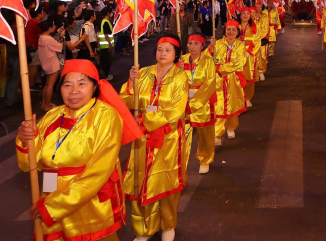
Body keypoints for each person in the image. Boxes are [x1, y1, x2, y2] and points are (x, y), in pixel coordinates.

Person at [16, 59, 142, 241]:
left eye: (82, 83)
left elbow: (97, 173)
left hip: (89, 204)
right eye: (67, 84)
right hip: (51, 197)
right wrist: (26, 139)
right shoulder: (52, 116)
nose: (74, 91)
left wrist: (52, 207)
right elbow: (29, 165)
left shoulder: (106, 116)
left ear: (95, 87)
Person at [121, 35, 189, 241]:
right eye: (160, 49)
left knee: (165, 181)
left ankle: (168, 224)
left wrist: (144, 121)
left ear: (176, 54)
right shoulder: (143, 73)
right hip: (141, 139)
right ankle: (144, 228)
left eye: (168, 50)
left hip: (168, 139)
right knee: (140, 182)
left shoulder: (180, 77)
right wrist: (131, 84)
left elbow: (176, 110)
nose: (162, 53)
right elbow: (126, 101)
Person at [179, 34, 218, 174]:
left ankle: (205, 158)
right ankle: (179, 162)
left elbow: (210, 84)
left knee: (204, 133)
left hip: (202, 102)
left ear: (202, 46)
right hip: (183, 102)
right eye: (190, 43)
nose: (192, 47)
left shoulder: (208, 61)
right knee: (182, 133)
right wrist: (179, 70)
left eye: (196, 44)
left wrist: (195, 103)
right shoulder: (181, 60)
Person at [214, 20, 247, 141]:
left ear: (238, 32)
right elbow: (207, 59)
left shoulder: (241, 46)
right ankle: (218, 132)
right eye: (229, 29)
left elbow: (239, 63)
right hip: (218, 80)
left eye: (234, 30)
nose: (231, 32)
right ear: (225, 30)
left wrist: (220, 68)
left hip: (233, 79)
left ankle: (231, 127)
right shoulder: (216, 44)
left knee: (232, 105)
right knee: (218, 105)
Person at [37, 19, 63, 111]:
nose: (54, 27)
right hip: (52, 63)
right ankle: (47, 105)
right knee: (50, 85)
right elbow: (60, 47)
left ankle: (44, 103)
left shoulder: (41, 37)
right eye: (53, 25)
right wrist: (61, 37)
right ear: (49, 28)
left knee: (47, 84)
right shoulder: (48, 39)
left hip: (45, 63)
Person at [238, 8, 260, 107]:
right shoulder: (236, 27)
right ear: (240, 15)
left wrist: (249, 52)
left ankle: (248, 98)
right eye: (243, 13)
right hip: (237, 56)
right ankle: (239, 98)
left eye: (247, 13)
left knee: (249, 78)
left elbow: (257, 41)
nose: (246, 15)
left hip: (249, 56)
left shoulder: (253, 27)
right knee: (237, 78)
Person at [253, 1, 271, 81]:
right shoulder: (251, 16)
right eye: (256, 7)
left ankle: (261, 71)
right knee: (253, 57)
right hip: (252, 40)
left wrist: (259, 37)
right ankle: (254, 72)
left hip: (261, 40)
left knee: (262, 56)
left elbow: (265, 28)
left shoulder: (264, 16)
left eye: (260, 7)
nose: (258, 9)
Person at [97, 8, 115, 80]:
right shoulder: (106, 22)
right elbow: (106, 34)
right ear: (108, 13)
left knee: (103, 61)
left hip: (102, 45)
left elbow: (99, 33)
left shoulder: (102, 21)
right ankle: (106, 76)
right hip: (106, 45)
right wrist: (110, 44)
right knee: (106, 62)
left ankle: (104, 75)